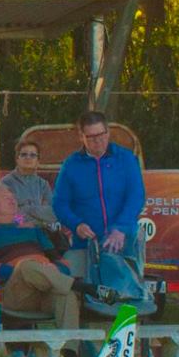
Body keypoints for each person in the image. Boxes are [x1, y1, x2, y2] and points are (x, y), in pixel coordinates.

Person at [0, 184, 87, 331]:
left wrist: (54, 269)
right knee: (26, 265)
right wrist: (23, 271)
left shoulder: (32, 228)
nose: (13, 201)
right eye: (7, 198)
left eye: (13, 198)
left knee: (66, 296)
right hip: (15, 292)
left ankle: (69, 352)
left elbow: (61, 261)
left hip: (43, 289)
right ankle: (83, 288)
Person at [52, 109, 147, 269]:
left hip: (124, 240)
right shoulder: (71, 165)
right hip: (86, 244)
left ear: (108, 132)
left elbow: (136, 196)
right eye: (91, 137)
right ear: (81, 136)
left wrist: (120, 228)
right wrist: (77, 225)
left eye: (101, 134)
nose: (98, 141)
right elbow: (59, 204)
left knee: (123, 288)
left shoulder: (126, 158)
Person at [3, 139, 61, 234]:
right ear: (17, 159)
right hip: (15, 234)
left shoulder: (43, 184)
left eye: (33, 155)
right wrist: (32, 222)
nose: (28, 158)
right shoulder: (7, 183)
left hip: (40, 234)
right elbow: (8, 215)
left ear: (38, 161)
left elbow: (53, 213)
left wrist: (27, 209)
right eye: (24, 154)